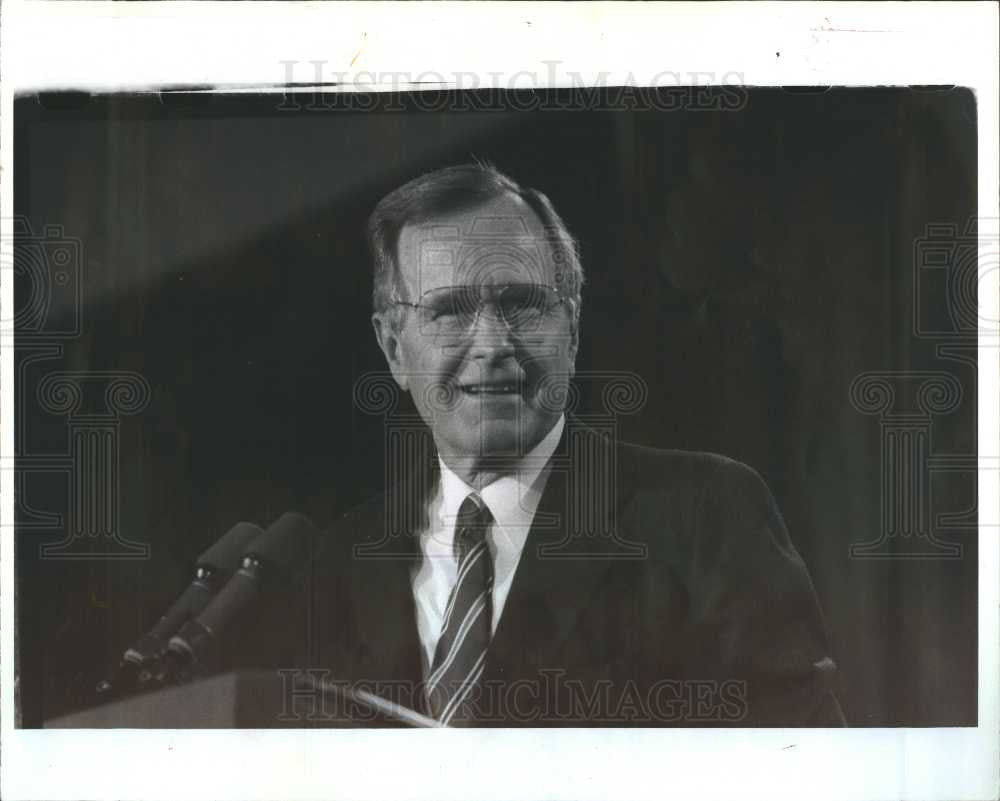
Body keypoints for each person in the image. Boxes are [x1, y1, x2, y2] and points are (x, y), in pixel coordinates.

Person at [259, 163, 845, 727]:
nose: (492, 343)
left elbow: (804, 767)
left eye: (520, 303)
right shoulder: (337, 563)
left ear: (572, 329)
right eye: (448, 311)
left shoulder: (704, 517)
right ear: (393, 348)